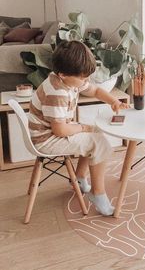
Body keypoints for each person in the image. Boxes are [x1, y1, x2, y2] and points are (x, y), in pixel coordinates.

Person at [28, 40, 129, 216]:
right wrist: (82, 127)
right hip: (47, 139)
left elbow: (95, 91)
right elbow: (59, 130)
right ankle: (98, 194)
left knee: (95, 133)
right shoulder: (57, 92)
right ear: (63, 75)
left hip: (53, 131)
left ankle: (80, 177)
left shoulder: (68, 78)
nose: (86, 80)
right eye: (83, 78)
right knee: (100, 143)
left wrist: (113, 100)